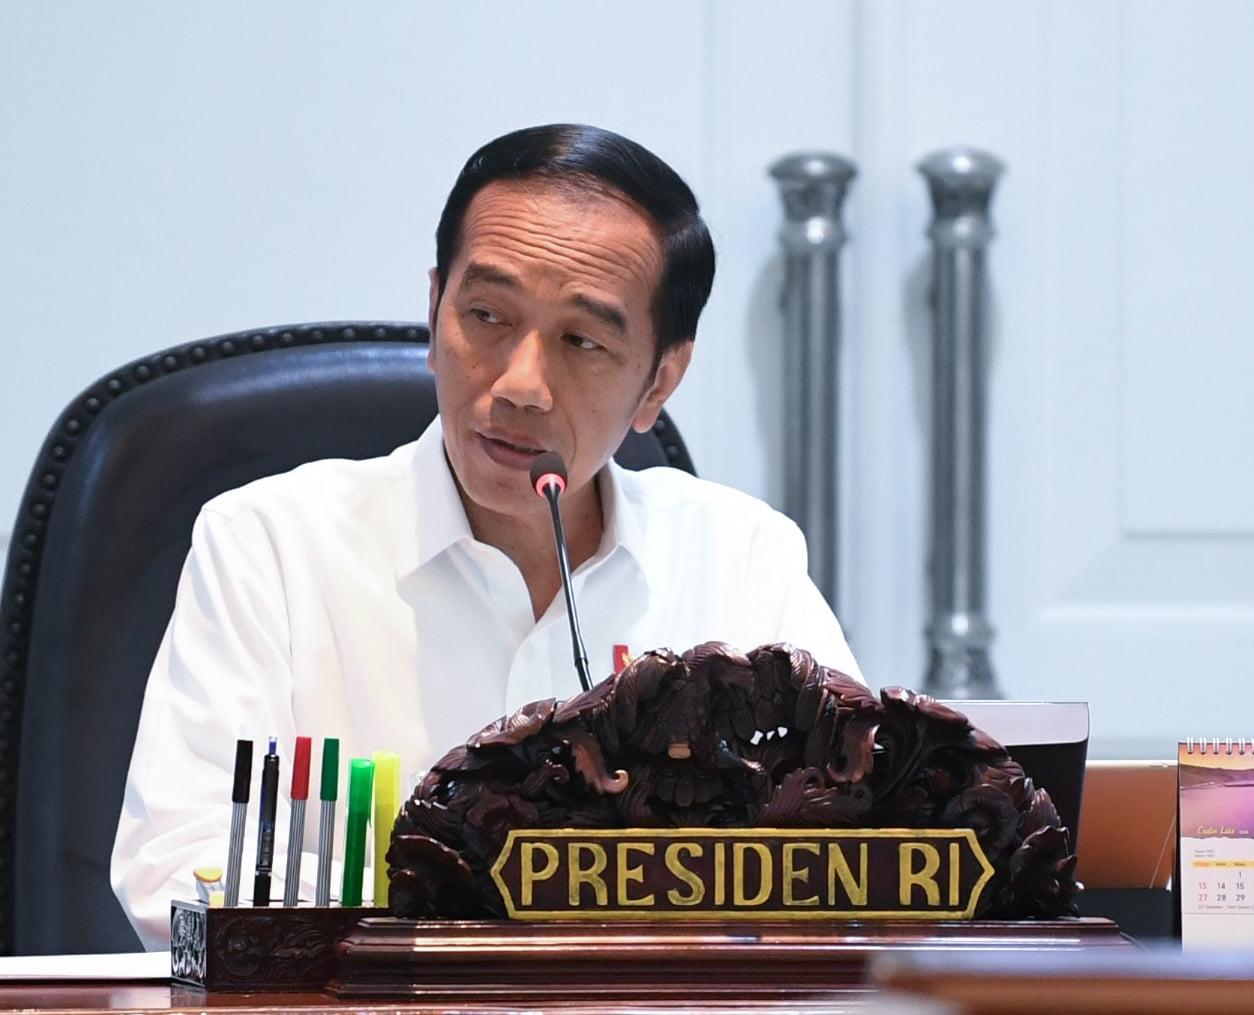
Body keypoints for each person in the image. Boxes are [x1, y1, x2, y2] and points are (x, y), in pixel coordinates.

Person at [112, 125, 860, 945]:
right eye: (486, 315)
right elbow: (172, 868)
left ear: (659, 383)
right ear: (434, 310)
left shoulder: (742, 559)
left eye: (581, 340)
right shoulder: (272, 546)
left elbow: (855, 850)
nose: (520, 384)